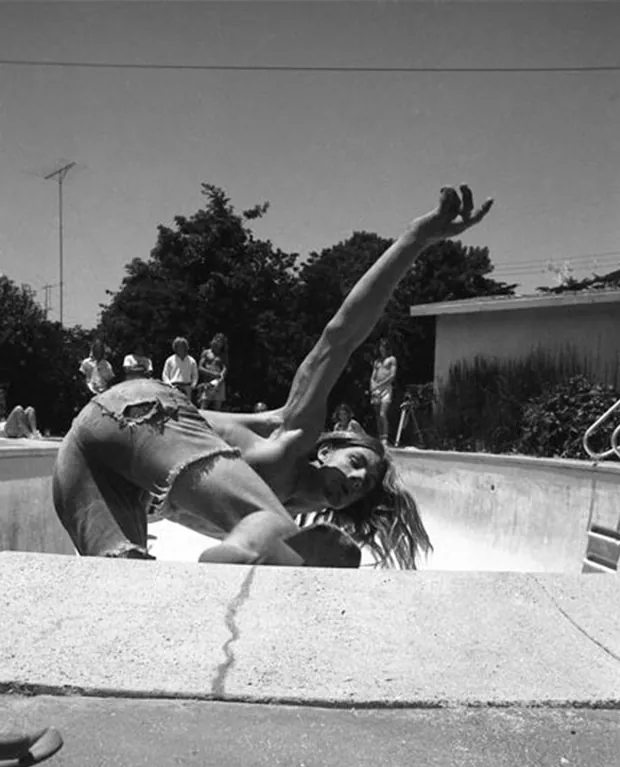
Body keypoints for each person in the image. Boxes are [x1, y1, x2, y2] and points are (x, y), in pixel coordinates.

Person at [53, 185, 493, 570]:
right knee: (280, 533)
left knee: (125, 581)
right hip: (138, 410)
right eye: (356, 463)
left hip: (89, 462)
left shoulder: (287, 511)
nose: (356, 480)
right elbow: (340, 337)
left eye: (363, 488)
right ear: (328, 450)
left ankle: (240, 563)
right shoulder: (294, 435)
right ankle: (251, 555)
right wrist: (415, 240)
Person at [370, 338, 397, 446]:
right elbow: (373, 376)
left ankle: (385, 437)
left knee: (382, 413)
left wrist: (380, 384)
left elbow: (392, 375)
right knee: (377, 414)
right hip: (376, 388)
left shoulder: (392, 359)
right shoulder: (377, 361)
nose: (381, 350)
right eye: (380, 348)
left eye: (383, 348)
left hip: (386, 388)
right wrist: (372, 386)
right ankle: (380, 436)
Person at [198, 333, 228, 411]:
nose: (217, 342)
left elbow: (225, 368)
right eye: (216, 340)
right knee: (204, 404)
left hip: (219, 382)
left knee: (217, 407)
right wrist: (213, 374)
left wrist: (221, 377)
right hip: (208, 382)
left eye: (220, 341)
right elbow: (200, 368)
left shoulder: (223, 355)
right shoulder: (206, 353)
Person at [162, 337, 199, 402]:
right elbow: (165, 374)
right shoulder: (170, 360)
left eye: (182, 346)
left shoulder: (191, 360)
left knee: (187, 407)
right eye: (178, 346)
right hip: (174, 386)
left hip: (187, 387)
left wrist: (193, 385)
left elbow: (195, 375)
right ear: (175, 347)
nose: (180, 348)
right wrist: (169, 385)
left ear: (186, 347)